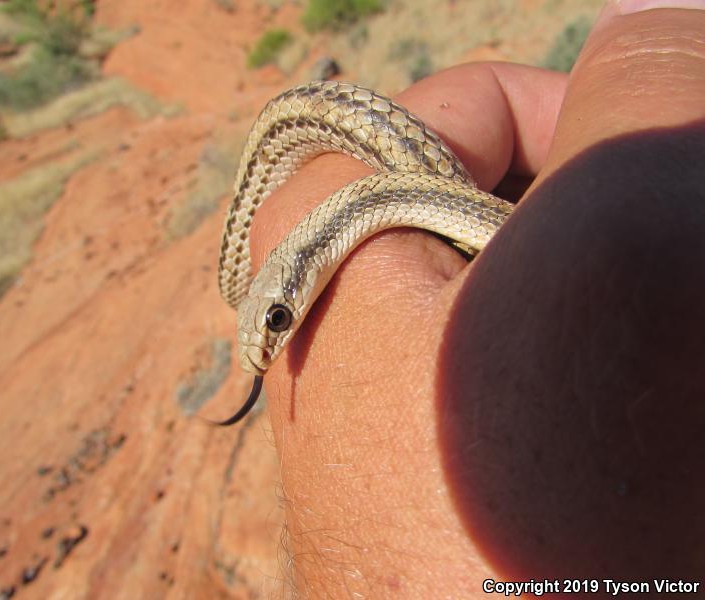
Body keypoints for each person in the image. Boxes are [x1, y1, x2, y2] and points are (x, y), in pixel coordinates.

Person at [248, 0, 705, 596]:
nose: (276, 343)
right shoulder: (372, 203)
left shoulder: (369, 209)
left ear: (308, 259)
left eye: (278, 320)